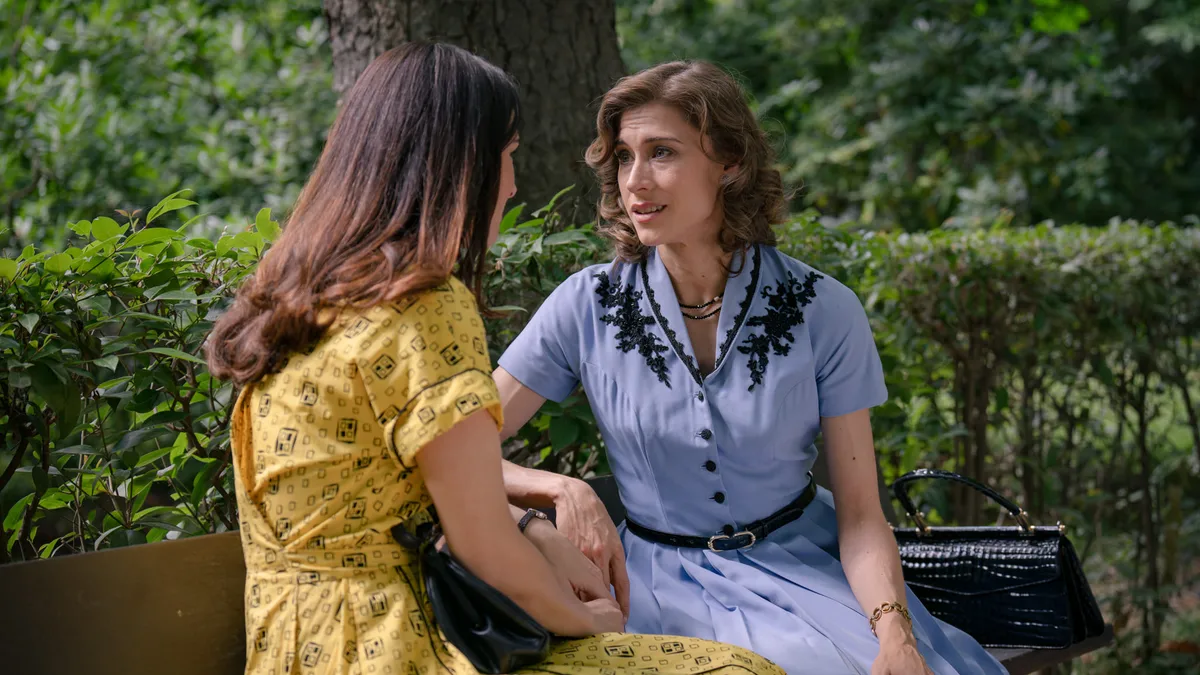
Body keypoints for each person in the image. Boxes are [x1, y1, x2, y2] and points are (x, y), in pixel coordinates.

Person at [204, 44, 783, 675]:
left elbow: (396, 492)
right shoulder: (424, 304)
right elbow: (481, 545)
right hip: (404, 645)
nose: (511, 184)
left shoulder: (298, 296)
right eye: (507, 157)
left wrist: (536, 520)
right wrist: (582, 620)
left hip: (290, 645)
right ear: (458, 165)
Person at [494, 61, 1009, 675]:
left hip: (805, 568)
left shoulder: (824, 309)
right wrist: (558, 488)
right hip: (649, 587)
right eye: (625, 157)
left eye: (662, 153)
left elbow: (864, 517)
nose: (636, 181)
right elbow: (454, 449)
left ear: (730, 163)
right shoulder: (587, 304)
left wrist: (894, 635)